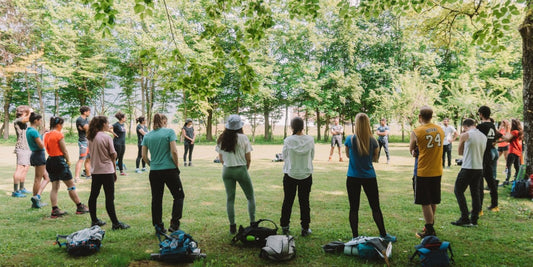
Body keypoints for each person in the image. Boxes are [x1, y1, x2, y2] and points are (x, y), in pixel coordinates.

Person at [345, 113, 396, 242]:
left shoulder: (350, 139)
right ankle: (383, 234)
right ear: (368, 124)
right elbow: (374, 158)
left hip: (352, 177)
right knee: (375, 207)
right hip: (369, 177)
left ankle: (355, 236)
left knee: (354, 208)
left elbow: (348, 156)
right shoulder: (373, 140)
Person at [142, 113, 184, 234]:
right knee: (179, 195)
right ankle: (174, 224)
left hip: (154, 172)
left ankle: (158, 227)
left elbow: (144, 156)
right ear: (164, 121)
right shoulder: (169, 132)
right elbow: (174, 151)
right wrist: (177, 165)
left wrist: (152, 165)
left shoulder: (147, 136)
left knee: (156, 199)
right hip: (169, 169)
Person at [87, 116, 130, 230]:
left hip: (95, 170)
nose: (109, 125)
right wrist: (114, 165)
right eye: (107, 123)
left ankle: (94, 220)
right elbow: (113, 154)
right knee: (109, 197)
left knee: (93, 196)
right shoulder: (106, 137)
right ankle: (115, 223)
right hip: (106, 170)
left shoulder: (90, 137)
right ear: (102, 124)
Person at [216, 114, 255, 234]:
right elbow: (248, 158)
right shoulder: (243, 138)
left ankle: (232, 226)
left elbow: (220, 157)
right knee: (250, 197)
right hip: (241, 169)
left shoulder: (222, 138)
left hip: (227, 170)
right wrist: (245, 169)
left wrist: (227, 165)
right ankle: (253, 223)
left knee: (230, 199)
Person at [409, 106, 444, 238]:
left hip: (423, 170)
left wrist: (415, 151)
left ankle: (429, 229)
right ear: (431, 116)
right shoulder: (440, 129)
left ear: (420, 117)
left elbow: (412, 150)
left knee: (425, 201)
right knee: (433, 200)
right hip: (437, 169)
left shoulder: (417, 131)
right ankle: (429, 225)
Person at [44, 116, 89, 218]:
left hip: (50, 160)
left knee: (54, 187)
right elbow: (64, 150)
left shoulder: (46, 134)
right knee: (71, 185)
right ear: (59, 125)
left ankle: (54, 209)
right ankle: (79, 206)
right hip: (59, 161)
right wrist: (68, 161)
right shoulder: (58, 134)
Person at [280, 117, 314, 237]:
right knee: (304, 202)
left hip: (290, 173)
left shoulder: (288, 140)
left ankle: (285, 226)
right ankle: (305, 227)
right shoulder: (310, 140)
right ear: (303, 127)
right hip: (306, 173)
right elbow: (312, 156)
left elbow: (284, 156)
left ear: (292, 127)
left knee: (288, 201)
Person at [451, 118, 486, 227]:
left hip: (468, 167)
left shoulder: (466, 135)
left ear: (465, 126)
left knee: (458, 190)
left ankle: (464, 217)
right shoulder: (483, 136)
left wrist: (462, 139)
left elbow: (460, 152)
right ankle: (474, 219)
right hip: (479, 167)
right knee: (475, 193)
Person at [476, 106, 500, 212]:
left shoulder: (481, 126)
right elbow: (496, 137)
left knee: (479, 183)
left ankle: (478, 208)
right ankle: (494, 205)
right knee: (491, 181)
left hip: (482, 156)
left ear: (481, 114)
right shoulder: (492, 125)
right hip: (489, 155)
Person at [26, 112, 50, 208]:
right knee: (37, 179)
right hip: (39, 155)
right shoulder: (34, 131)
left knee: (47, 177)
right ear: (36, 120)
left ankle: (37, 198)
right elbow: (41, 145)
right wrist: (44, 137)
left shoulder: (29, 130)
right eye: (40, 120)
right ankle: (36, 200)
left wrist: (41, 133)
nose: (40, 122)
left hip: (35, 154)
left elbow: (36, 140)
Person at [12, 105, 32, 198]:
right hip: (21, 148)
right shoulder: (18, 120)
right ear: (23, 113)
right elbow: (26, 119)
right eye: (27, 112)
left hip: (27, 148)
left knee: (25, 168)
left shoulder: (25, 119)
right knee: (19, 169)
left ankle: (22, 188)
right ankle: (15, 191)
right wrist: (30, 112)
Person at [502, 119, 523, 186]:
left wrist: (500, 135)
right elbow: (509, 140)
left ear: (513, 124)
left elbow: (507, 138)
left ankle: (507, 180)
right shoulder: (519, 132)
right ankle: (517, 180)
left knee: (508, 166)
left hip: (512, 151)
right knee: (517, 167)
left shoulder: (514, 132)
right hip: (518, 152)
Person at [74, 106, 92, 183]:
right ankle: (77, 177)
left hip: (88, 141)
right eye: (89, 111)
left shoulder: (86, 120)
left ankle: (88, 175)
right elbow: (88, 128)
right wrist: (89, 128)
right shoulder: (80, 119)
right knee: (81, 159)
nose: (89, 113)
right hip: (83, 141)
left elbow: (89, 128)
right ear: (85, 112)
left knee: (88, 159)